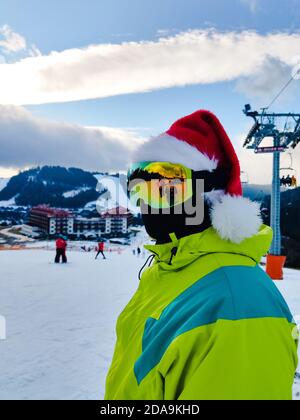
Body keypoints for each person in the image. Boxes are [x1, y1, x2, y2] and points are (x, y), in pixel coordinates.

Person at [105, 110, 298, 400]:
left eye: (166, 192)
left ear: (209, 194)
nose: (148, 206)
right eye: (139, 193)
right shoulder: (172, 270)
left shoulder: (235, 302)